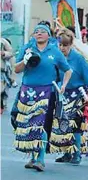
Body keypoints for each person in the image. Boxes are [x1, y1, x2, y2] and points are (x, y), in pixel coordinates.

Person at [13, 24, 73, 171]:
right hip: (27, 91)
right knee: (29, 124)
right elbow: (16, 69)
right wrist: (25, 59)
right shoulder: (27, 48)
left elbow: (68, 70)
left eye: (42, 32)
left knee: (42, 124)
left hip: (47, 91)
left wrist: (64, 85)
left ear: (48, 35)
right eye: (36, 31)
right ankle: (32, 158)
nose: (39, 33)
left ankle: (40, 158)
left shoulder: (55, 51)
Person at [50, 29, 88, 165]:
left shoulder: (78, 59)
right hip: (61, 94)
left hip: (76, 94)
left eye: (65, 45)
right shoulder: (56, 57)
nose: (62, 48)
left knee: (75, 125)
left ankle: (77, 153)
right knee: (62, 124)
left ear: (70, 45)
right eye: (60, 45)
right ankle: (66, 152)